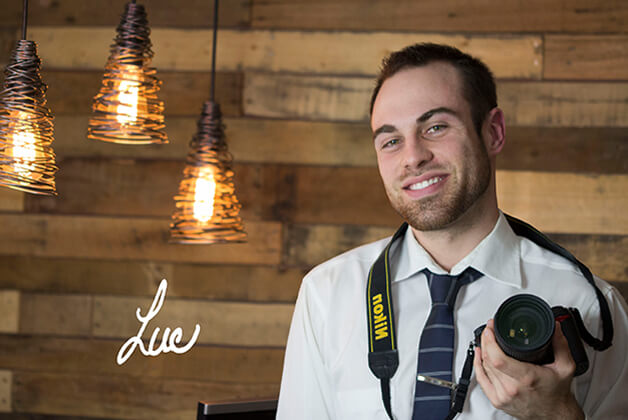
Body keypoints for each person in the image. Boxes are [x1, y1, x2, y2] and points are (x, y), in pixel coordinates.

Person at [276, 43, 628, 419]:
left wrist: (557, 414)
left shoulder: (591, 305)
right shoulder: (327, 295)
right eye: (391, 141)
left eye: (436, 127)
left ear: (493, 132)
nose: (413, 156)